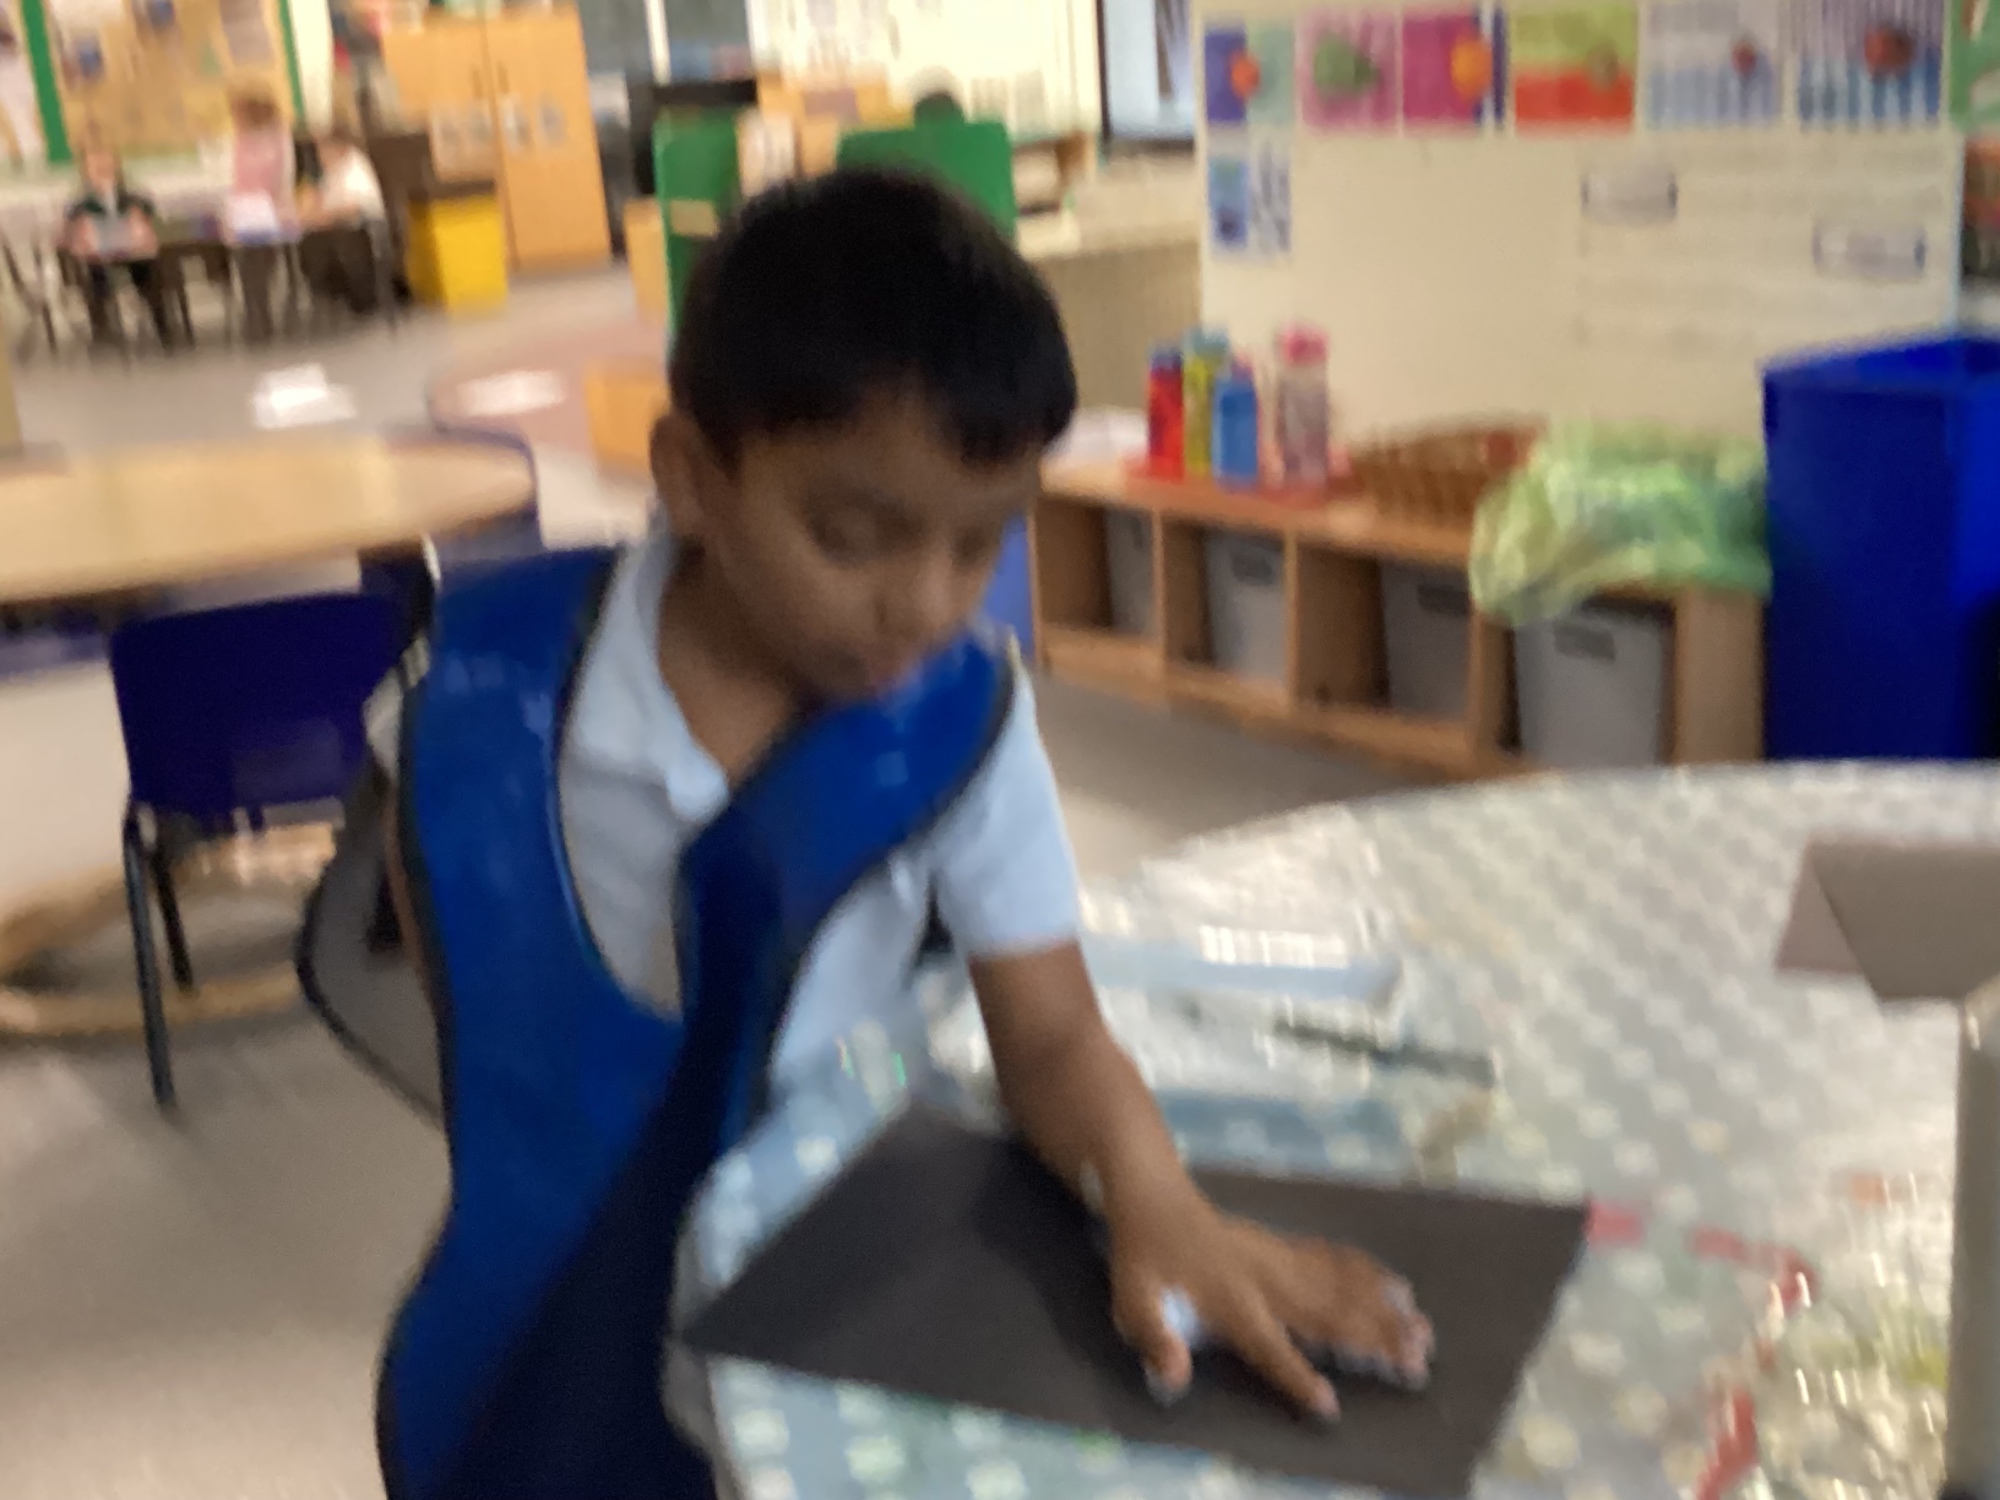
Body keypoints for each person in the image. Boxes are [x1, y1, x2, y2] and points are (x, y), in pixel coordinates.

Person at [359, 168, 1433, 1500]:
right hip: (537, 1340)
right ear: (689, 477)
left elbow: (1052, 1035)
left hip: (843, 1288)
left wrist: (1159, 1200)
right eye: (853, 537)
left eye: (980, 545)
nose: (923, 604)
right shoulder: (473, 701)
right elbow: (456, 974)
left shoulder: (964, 727)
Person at [63, 143, 173, 347]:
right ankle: (102, 328)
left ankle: (162, 325)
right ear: (86, 171)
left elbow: (150, 212)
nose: (102, 169)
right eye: (95, 166)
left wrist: (139, 218)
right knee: (95, 277)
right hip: (97, 255)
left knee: (150, 272)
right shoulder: (80, 200)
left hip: (133, 252)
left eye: (106, 163)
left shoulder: (131, 194)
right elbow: (70, 226)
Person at [226, 90, 293, 340]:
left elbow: (282, 177)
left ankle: (264, 314)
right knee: (246, 264)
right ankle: (254, 314)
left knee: (264, 262)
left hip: (269, 209)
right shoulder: (239, 142)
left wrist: (278, 207)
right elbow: (235, 180)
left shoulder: (278, 139)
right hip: (245, 210)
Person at [298, 126, 386, 316]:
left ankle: (361, 300)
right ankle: (328, 296)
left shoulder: (354, 166)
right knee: (309, 244)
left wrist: (324, 217)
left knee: (339, 243)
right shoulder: (328, 171)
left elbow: (355, 207)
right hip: (333, 227)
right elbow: (314, 203)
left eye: (324, 149)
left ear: (339, 147)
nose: (320, 155)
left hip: (361, 228)